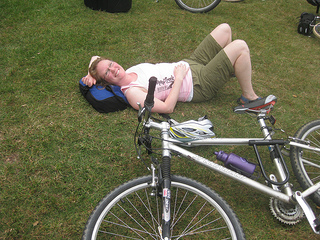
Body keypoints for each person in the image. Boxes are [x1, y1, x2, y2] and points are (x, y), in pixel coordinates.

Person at [82, 23, 262, 114]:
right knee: (240, 46)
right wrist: (179, 78)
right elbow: (167, 108)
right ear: (106, 80)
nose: (113, 69)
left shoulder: (127, 71)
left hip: (191, 63)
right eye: (107, 72)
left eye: (111, 64)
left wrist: (90, 74)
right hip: (197, 85)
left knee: (225, 29)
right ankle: (249, 98)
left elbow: (96, 59)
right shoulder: (133, 93)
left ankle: (229, 69)